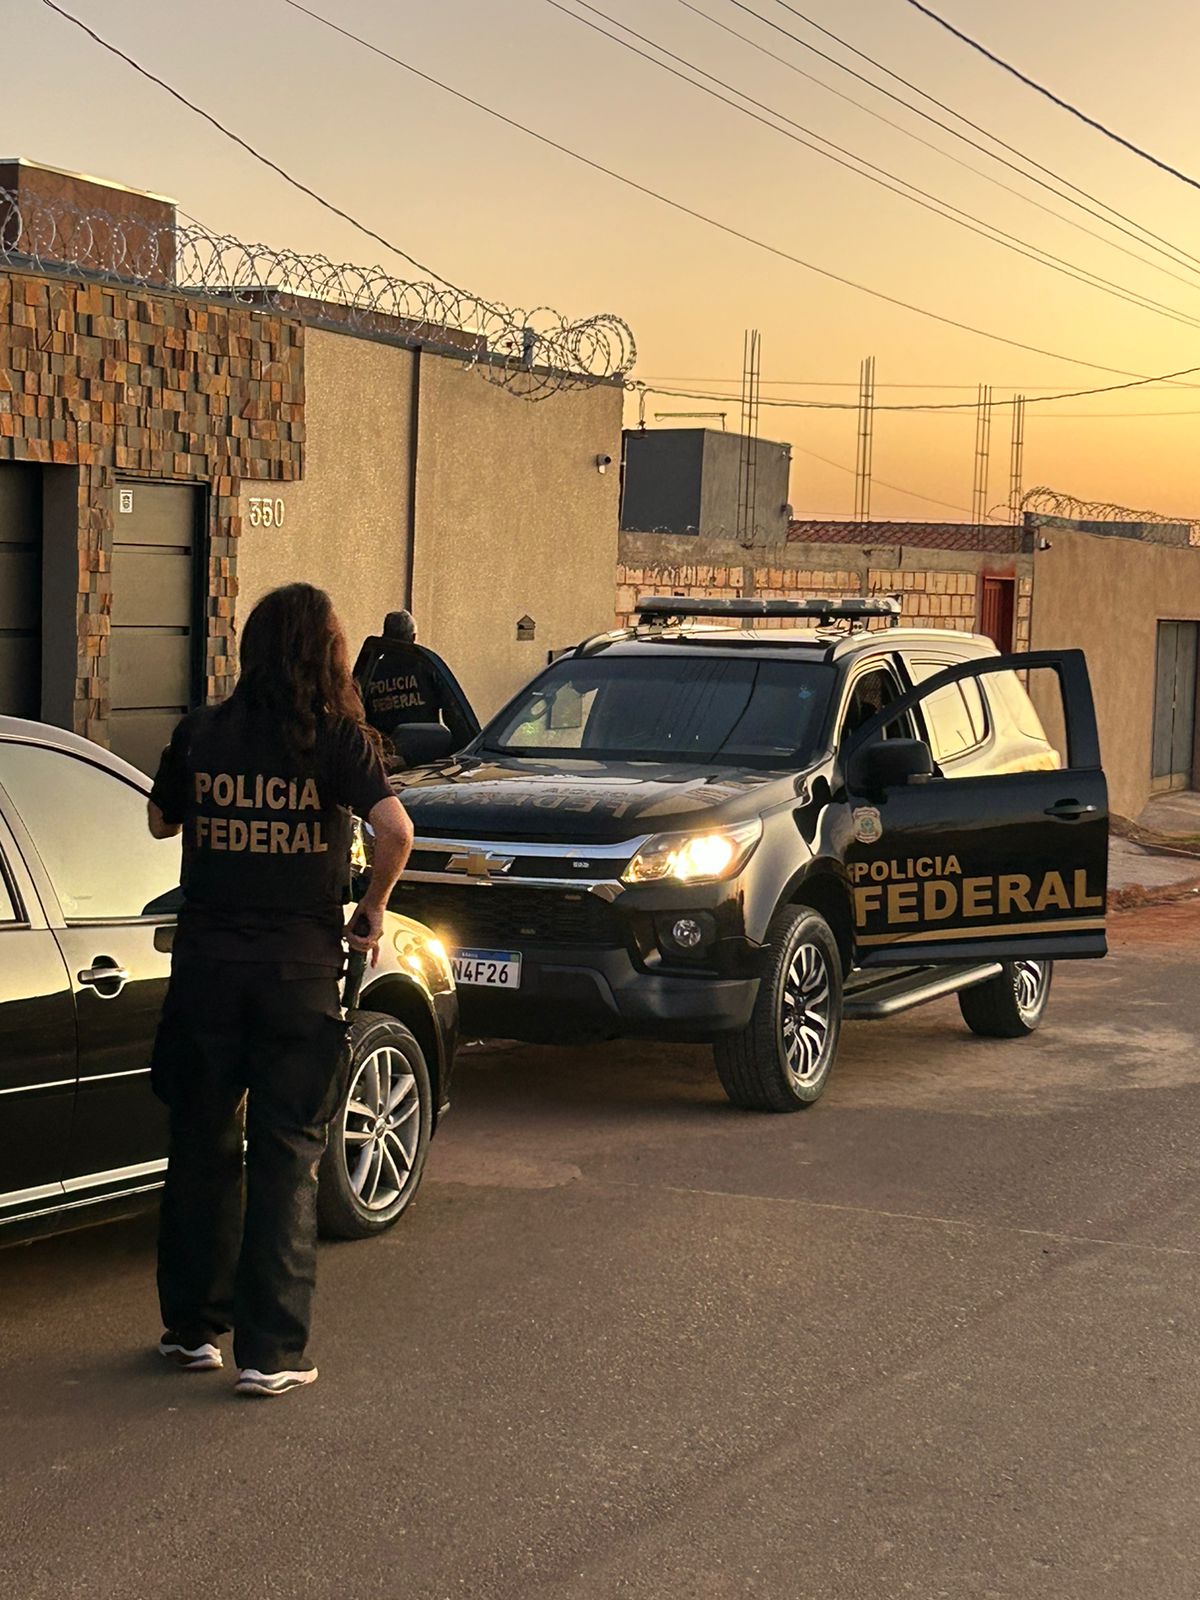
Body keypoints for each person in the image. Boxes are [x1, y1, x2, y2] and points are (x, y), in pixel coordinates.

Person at [146, 582, 413, 1398]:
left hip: (206, 972)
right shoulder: (338, 741)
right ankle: (271, 1354)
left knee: (199, 1145)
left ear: (253, 649)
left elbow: (160, 822)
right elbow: (396, 829)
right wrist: (371, 908)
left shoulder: (201, 733)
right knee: (286, 1154)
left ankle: (192, 1332)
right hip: (298, 976)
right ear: (328, 653)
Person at [354, 608, 480, 752]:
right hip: (425, 756)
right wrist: (464, 751)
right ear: (413, 637)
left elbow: (357, 715)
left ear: (384, 635)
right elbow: (453, 715)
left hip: (382, 755)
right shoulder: (427, 667)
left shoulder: (369, 671)